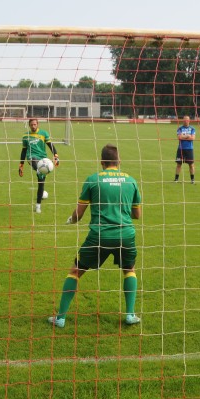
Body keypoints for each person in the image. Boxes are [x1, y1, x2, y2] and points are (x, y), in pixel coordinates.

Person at [48, 144, 142, 328]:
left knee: (75, 271)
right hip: (125, 235)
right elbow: (137, 215)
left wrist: (71, 220)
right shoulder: (131, 181)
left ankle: (60, 318)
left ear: (102, 162)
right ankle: (130, 314)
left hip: (100, 235)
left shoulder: (93, 180)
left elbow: (79, 214)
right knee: (129, 269)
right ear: (119, 161)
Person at [18, 118, 59, 213]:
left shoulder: (43, 133)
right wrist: (21, 164)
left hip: (43, 159)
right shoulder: (25, 136)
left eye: (35, 124)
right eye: (31, 125)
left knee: (41, 182)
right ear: (29, 125)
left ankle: (38, 206)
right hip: (31, 157)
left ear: (37, 124)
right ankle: (38, 170)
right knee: (34, 160)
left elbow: (50, 145)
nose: (33, 126)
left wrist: (56, 156)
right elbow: (24, 151)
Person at [174, 115, 196, 183]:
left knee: (191, 165)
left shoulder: (192, 129)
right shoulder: (180, 128)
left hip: (189, 149)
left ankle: (192, 180)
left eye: (187, 120)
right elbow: (179, 137)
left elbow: (193, 138)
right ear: (183, 120)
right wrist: (187, 136)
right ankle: (176, 179)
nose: (185, 121)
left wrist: (184, 137)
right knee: (178, 164)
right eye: (184, 120)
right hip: (180, 149)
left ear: (189, 120)